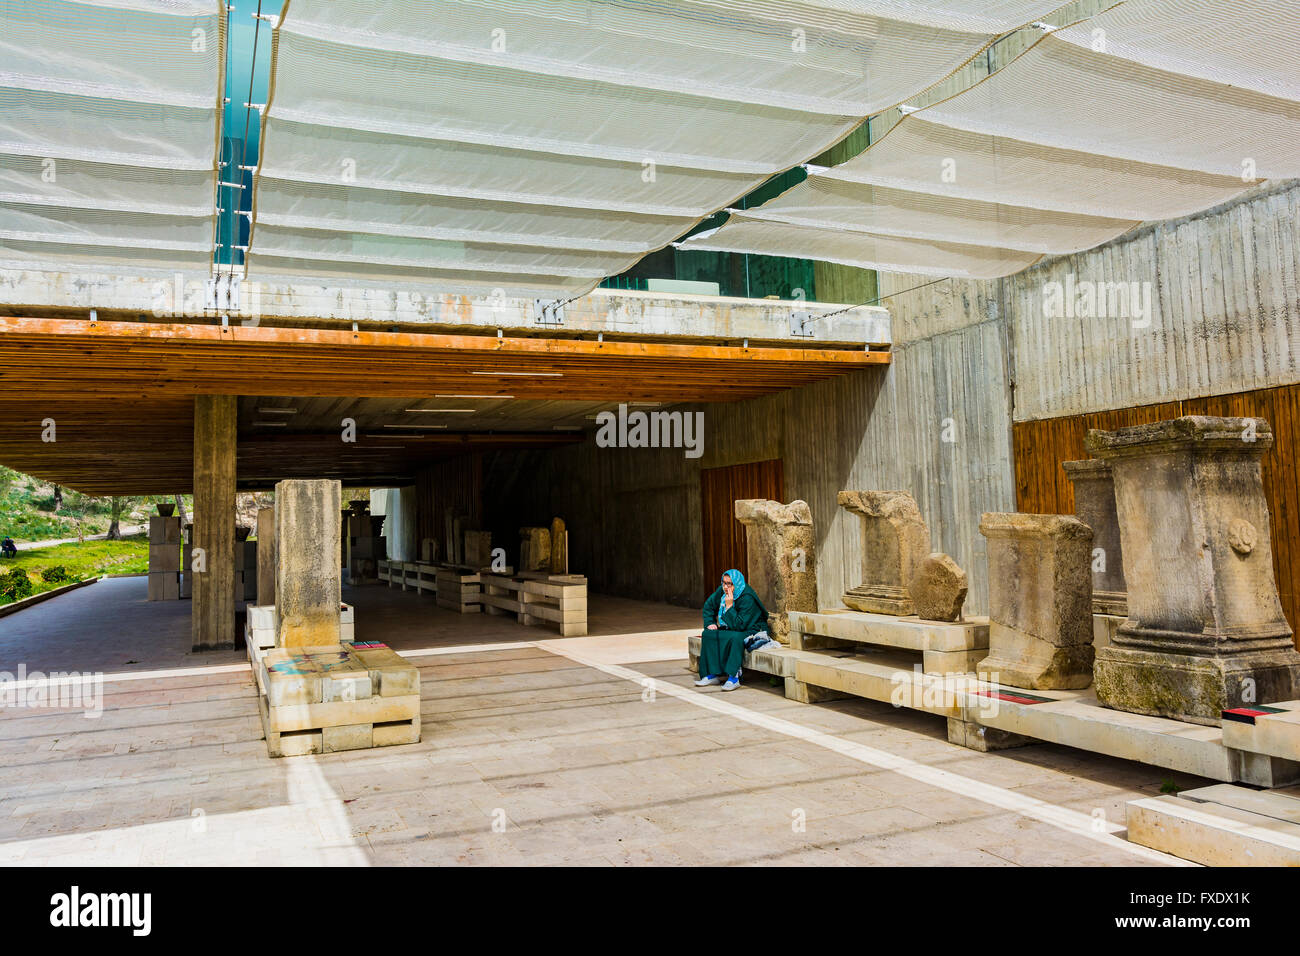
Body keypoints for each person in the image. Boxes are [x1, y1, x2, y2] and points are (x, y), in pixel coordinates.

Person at [695, 568, 768, 691]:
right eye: (724, 582)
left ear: (737, 583)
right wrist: (710, 623)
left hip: (752, 628)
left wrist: (729, 607)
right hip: (733, 626)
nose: (726, 586)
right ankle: (711, 674)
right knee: (708, 634)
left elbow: (740, 626)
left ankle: (733, 678)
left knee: (735, 638)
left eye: (730, 583)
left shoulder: (747, 597)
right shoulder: (723, 591)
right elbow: (709, 606)